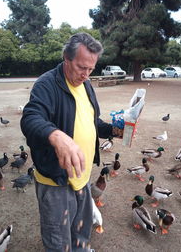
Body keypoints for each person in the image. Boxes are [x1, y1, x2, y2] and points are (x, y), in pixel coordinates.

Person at [21, 32, 123, 252]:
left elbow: (91, 121)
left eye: (91, 69)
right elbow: (31, 118)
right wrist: (56, 136)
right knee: (59, 242)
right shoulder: (46, 84)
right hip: (56, 181)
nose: (86, 74)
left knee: (80, 232)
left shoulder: (85, 85)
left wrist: (114, 130)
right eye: (81, 67)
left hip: (81, 177)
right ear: (66, 58)